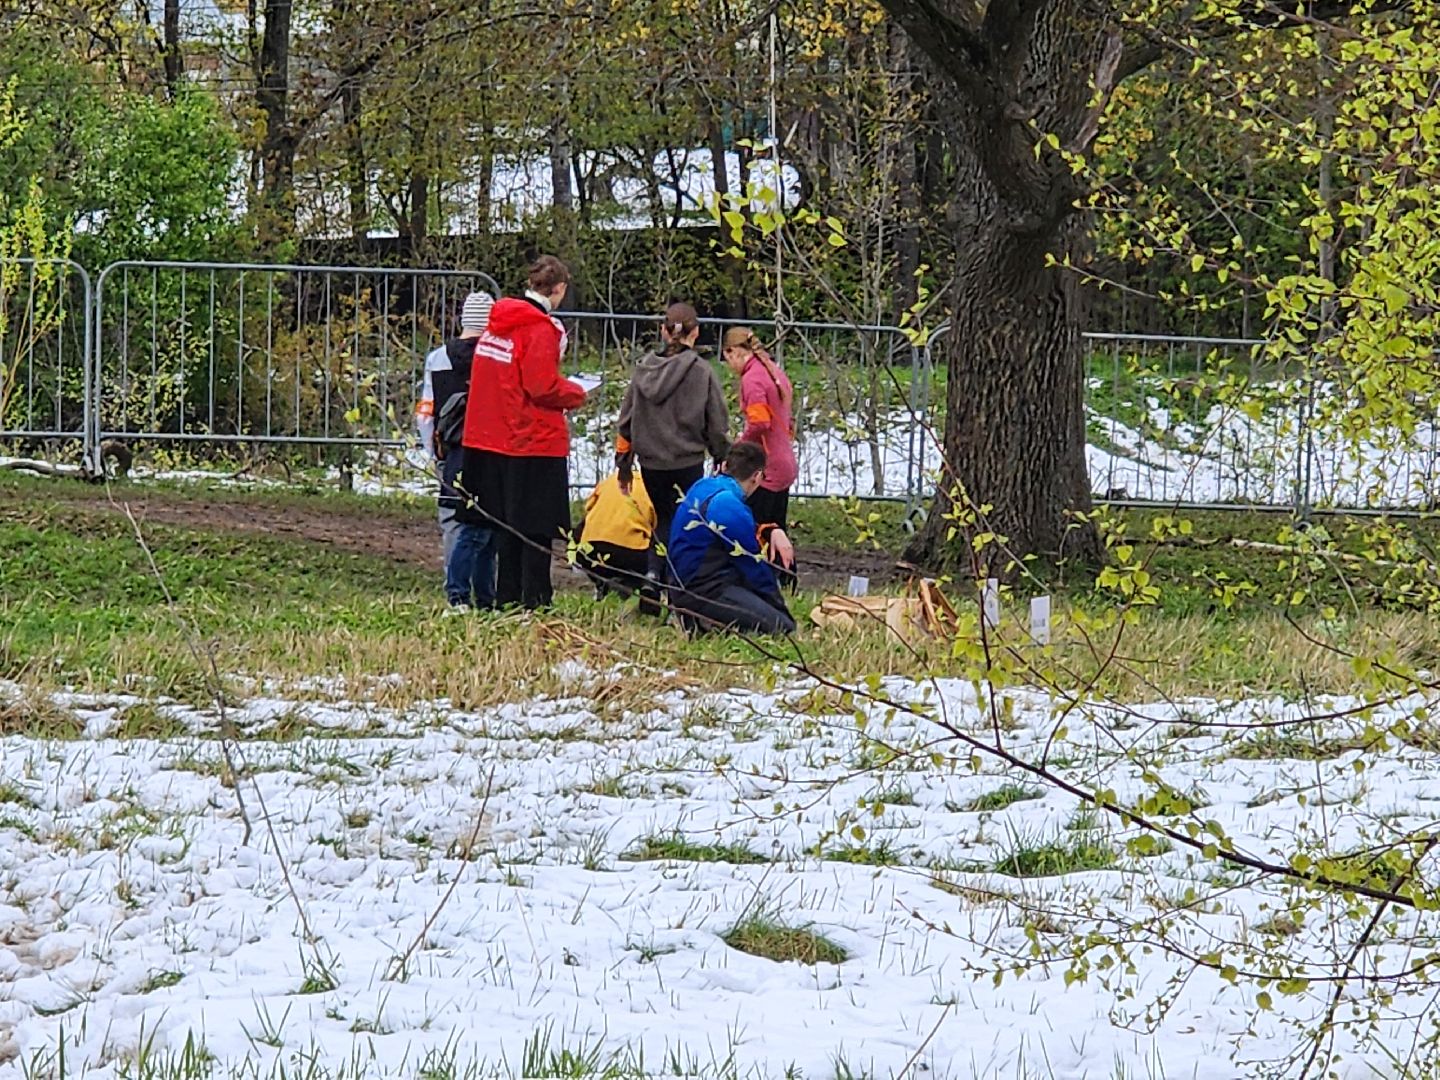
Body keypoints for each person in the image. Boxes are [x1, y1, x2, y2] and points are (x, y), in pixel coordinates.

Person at [459, 256, 588, 610]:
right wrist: (577, 393)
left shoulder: (496, 326)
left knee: (505, 526)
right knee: (535, 528)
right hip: (532, 442)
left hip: (490, 438)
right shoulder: (539, 329)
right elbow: (541, 385)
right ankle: (536, 599)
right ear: (558, 289)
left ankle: (507, 596)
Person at [615, 302, 730, 609]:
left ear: (663, 331)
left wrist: (624, 465)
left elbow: (625, 421)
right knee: (683, 523)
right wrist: (721, 454)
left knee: (662, 519)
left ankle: (653, 576)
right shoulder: (702, 372)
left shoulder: (644, 370)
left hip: (651, 462)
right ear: (696, 332)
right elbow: (716, 421)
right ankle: (676, 587)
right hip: (687, 461)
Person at [415, 291, 496, 610]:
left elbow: (425, 413)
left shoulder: (438, 358)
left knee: (454, 521)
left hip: (452, 450)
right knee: (487, 524)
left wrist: (434, 452)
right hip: (488, 450)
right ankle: (484, 596)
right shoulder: (496, 357)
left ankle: (456, 593)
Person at [667, 442, 796, 636]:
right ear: (757, 477)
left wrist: (772, 531)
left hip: (680, 582)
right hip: (703, 590)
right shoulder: (729, 505)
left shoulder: (703, 485)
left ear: (725, 465)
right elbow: (754, 566)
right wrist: (779, 608)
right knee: (782, 627)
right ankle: (705, 622)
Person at [723, 327, 798, 584]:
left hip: (767, 466)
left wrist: (739, 449)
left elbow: (759, 423)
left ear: (733, 352)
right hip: (785, 460)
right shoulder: (772, 369)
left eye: (727, 358)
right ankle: (787, 579)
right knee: (777, 526)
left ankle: (758, 580)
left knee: (757, 525)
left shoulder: (752, 378)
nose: (729, 365)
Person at [575, 469, 656, 601]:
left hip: (590, 549)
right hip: (631, 552)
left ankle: (603, 585)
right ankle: (631, 585)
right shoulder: (652, 486)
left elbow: (588, 508)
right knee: (656, 557)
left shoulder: (610, 480)